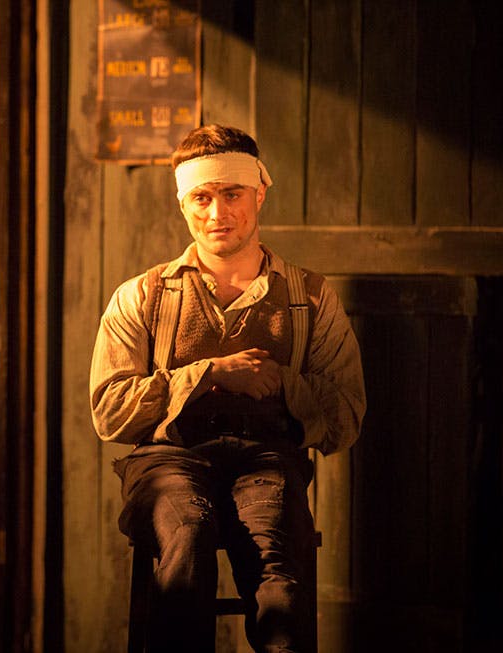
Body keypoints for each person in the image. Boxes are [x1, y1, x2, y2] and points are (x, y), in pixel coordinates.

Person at [89, 124, 366, 652]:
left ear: (259, 192)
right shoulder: (143, 295)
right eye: (202, 197)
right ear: (183, 204)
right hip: (169, 458)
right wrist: (210, 373)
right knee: (187, 537)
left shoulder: (308, 296)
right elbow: (109, 410)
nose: (217, 213)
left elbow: (346, 412)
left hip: (266, 456)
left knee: (278, 573)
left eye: (232, 194)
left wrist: (279, 381)